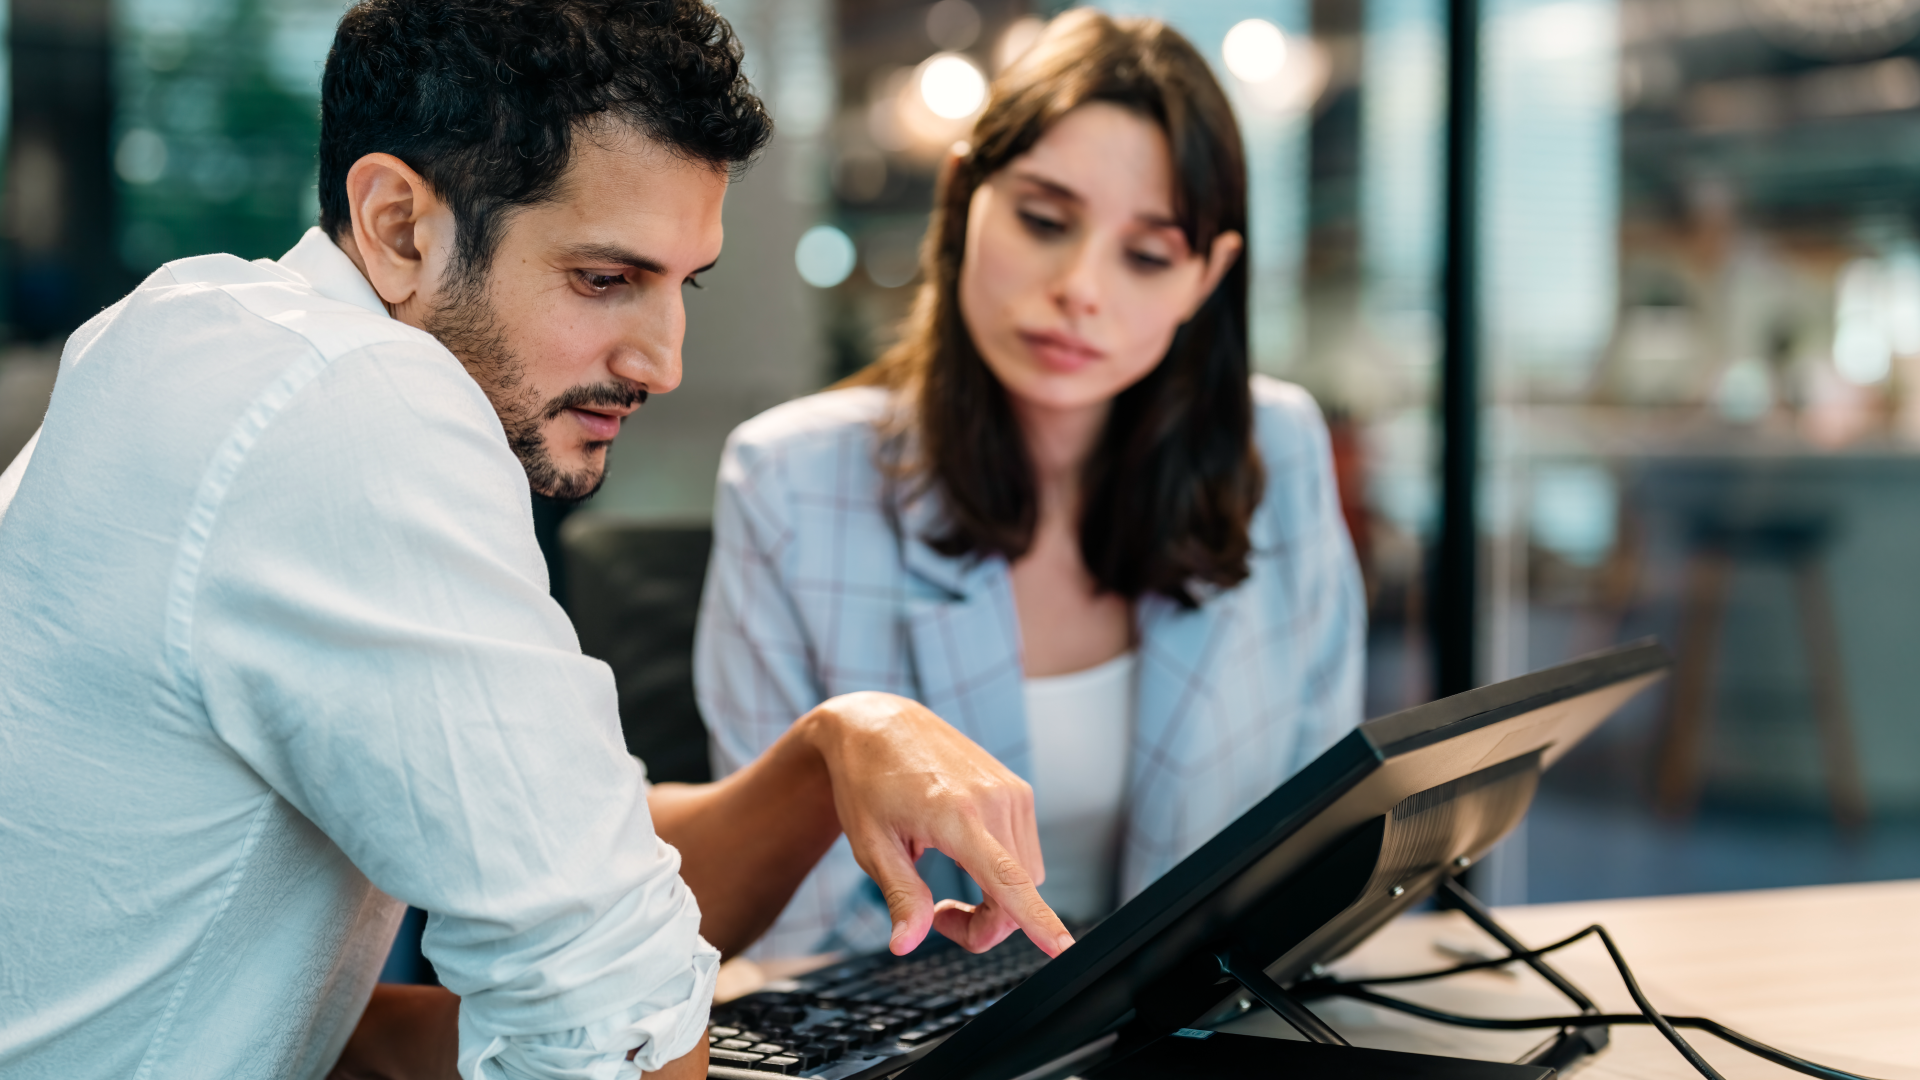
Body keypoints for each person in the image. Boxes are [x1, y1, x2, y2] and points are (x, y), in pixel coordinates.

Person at [0, 3, 1071, 1079]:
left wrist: (835, 748)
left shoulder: (184, 330)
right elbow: (609, 1020)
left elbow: (541, 892)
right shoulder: (363, 404)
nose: (663, 363)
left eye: (680, 284)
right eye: (604, 280)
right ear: (399, 225)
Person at [696, 9, 1366, 959]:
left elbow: (1318, 832)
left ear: (1207, 277)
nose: (1080, 287)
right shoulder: (791, 486)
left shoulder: (1279, 451)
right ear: (965, 196)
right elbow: (804, 931)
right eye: (1044, 220)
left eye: (1146, 254)